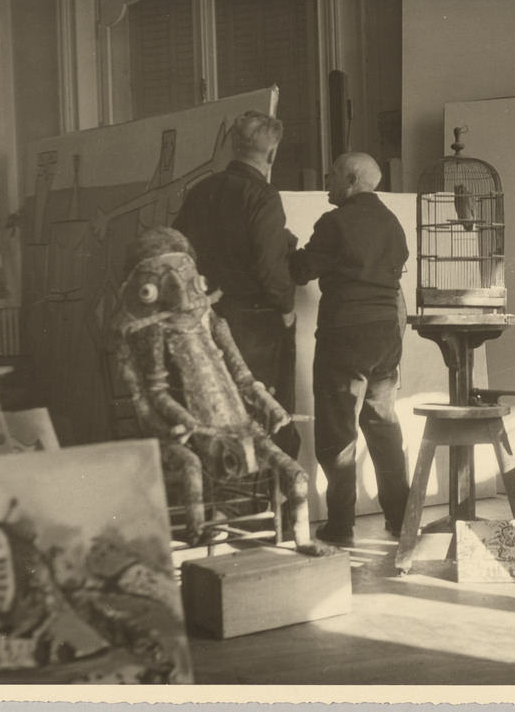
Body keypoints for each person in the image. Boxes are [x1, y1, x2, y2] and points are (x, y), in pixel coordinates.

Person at [289, 151, 410, 546]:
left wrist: (285, 245)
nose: (327, 181)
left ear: (353, 180)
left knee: (338, 431)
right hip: (387, 336)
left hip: (345, 336)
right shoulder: (393, 223)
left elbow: (301, 270)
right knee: (384, 428)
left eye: (333, 175)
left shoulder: (335, 222)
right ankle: (400, 518)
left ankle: (340, 525)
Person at [173, 110, 300, 458]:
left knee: (215, 412)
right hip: (256, 326)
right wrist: (287, 308)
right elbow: (270, 268)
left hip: (206, 319)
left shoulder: (200, 191)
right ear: (272, 153)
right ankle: (270, 491)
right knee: (264, 415)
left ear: (234, 146)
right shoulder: (263, 195)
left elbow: (178, 251)